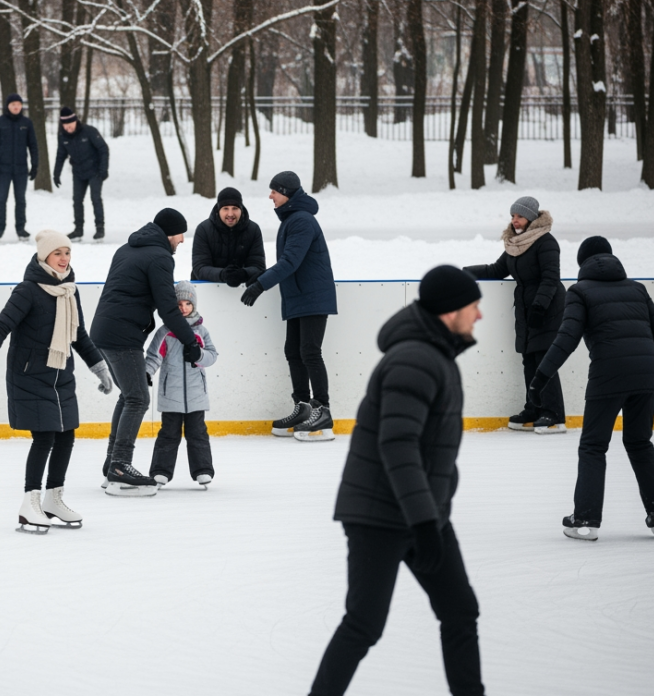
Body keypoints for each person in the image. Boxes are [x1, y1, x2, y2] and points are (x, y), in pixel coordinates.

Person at [309, 265, 485, 696]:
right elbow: (399, 446)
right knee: (364, 623)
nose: (479, 315)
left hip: (423, 512)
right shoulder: (415, 359)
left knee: (460, 610)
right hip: (380, 516)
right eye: (473, 306)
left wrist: (433, 512)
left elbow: (430, 447)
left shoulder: (433, 356)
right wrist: (426, 522)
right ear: (450, 311)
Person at [531, 237, 654, 541]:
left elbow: (566, 338)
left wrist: (540, 379)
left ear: (582, 264)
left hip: (608, 376)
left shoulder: (580, 291)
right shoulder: (637, 289)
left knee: (593, 446)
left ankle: (586, 518)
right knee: (640, 443)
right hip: (646, 376)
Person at [0, 230, 112, 533]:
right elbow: (0, 327)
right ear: (44, 256)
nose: (63, 258)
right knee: (44, 438)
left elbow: (79, 335)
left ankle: (53, 499)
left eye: (67, 253)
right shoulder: (27, 290)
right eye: (57, 253)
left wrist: (100, 367)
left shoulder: (70, 290)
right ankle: (29, 503)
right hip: (29, 375)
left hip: (61, 376)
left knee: (67, 435)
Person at [90, 208, 200, 497]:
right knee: (138, 398)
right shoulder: (160, 257)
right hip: (122, 336)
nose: (182, 240)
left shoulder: (127, 248)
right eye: (180, 234)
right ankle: (121, 465)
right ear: (169, 233)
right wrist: (191, 341)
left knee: (129, 396)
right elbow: (168, 308)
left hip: (103, 331)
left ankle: (112, 463)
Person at [240, 171, 338, 442]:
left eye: (274, 191)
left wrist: (260, 285)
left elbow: (290, 262)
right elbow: (289, 262)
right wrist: (257, 276)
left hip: (313, 296)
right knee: (293, 351)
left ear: (286, 192)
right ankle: (303, 407)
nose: (270, 195)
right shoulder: (292, 219)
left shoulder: (302, 221)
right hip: (298, 296)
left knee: (309, 351)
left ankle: (323, 409)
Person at [465, 196, 567, 434]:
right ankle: (534, 407)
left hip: (547, 309)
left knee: (544, 361)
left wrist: (540, 308)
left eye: (519, 216)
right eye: (512, 216)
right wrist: (464, 273)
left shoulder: (546, 242)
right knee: (529, 361)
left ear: (531, 217)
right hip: (526, 309)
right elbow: (498, 270)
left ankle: (553, 414)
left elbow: (551, 279)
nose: (515, 220)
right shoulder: (515, 244)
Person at [145, 281, 218, 487]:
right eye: (179, 304)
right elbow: (153, 356)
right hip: (171, 395)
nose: (184, 308)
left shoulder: (201, 331)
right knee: (168, 434)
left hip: (197, 395)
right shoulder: (165, 332)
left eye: (188, 303)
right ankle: (161, 471)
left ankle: (203, 470)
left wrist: (199, 355)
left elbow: (212, 356)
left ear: (194, 305)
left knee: (197, 433)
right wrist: (147, 373)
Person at [52, 107, 109, 241]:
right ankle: (78, 230)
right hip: (78, 172)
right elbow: (61, 155)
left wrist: (103, 169)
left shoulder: (89, 131)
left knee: (95, 198)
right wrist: (56, 174)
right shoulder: (62, 136)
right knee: (77, 201)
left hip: (95, 171)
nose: (68, 128)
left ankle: (99, 228)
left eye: (70, 125)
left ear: (75, 121)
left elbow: (103, 148)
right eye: (65, 125)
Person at [190, 186, 265, 287]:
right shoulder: (204, 229)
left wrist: (243, 274)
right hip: (207, 288)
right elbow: (200, 268)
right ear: (218, 210)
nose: (230, 214)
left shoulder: (253, 229)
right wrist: (223, 274)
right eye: (225, 208)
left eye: (235, 208)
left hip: (242, 290)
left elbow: (259, 267)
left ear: (241, 210)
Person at [0, 93, 38, 241]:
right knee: (1, 199)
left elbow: (33, 146)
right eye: (13, 104)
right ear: (8, 106)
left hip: (21, 169)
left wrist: (35, 165)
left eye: (18, 104)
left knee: (20, 200)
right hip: (3, 169)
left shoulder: (27, 123)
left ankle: (21, 229)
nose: (16, 107)